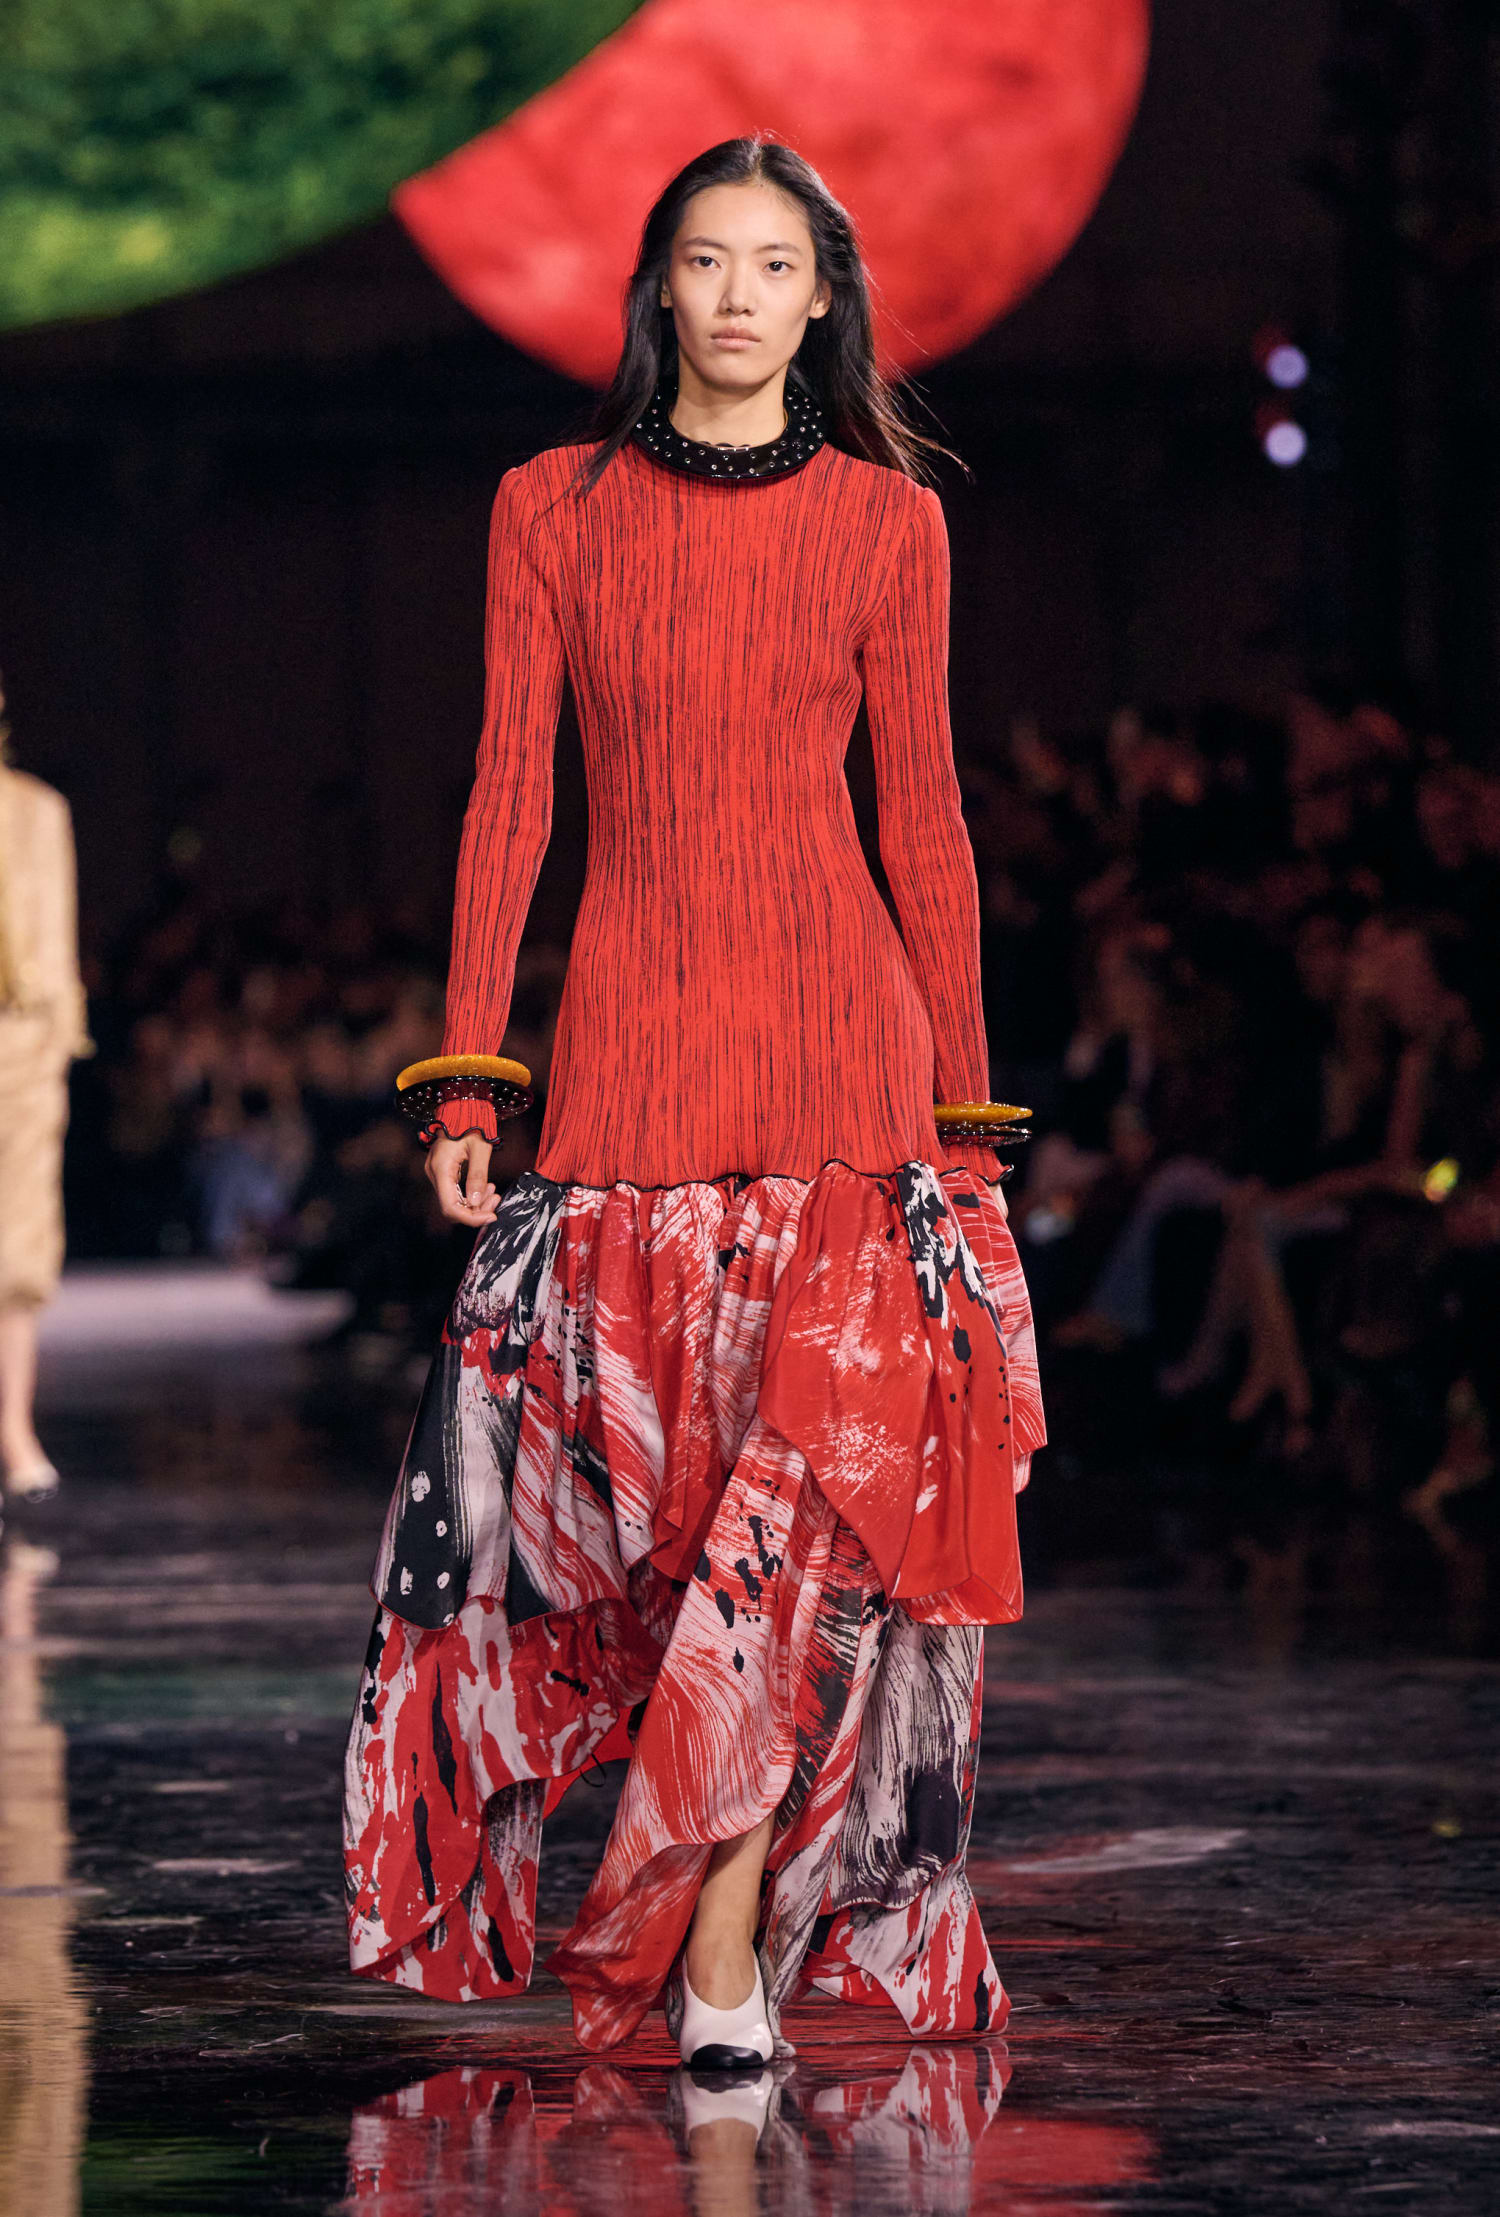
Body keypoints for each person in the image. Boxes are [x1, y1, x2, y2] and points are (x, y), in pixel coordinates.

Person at [342, 136, 1046, 2071]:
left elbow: (927, 826)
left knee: (794, 1529)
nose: (739, 295)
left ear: (823, 302)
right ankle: (695, 1908)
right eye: (707, 261)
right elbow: (510, 794)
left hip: (844, 1060)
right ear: (659, 287)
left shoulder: (891, 524)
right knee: (652, 1532)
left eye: (776, 265)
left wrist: (965, 1126)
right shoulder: (549, 509)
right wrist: (469, 1070)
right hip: (633, 1058)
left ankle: (721, 1932)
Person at [0, 677, 91, 1505]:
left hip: (22, 1050)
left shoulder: (38, 811)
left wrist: (56, 1046)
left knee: (20, 1247)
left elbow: (55, 945)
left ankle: (14, 1429)